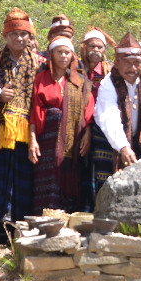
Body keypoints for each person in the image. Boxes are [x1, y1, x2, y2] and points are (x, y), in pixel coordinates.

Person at [0, 9, 39, 242]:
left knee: (22, 180)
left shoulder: (39, 63)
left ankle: (18, 231)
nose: (19, 39)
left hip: (27, 129)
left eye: (23, 35)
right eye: (14, 34)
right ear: (5, 36)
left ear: (30, 37)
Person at [30, 35, 93, 212]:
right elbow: (35, 111)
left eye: (67, 52)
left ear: (72, 56)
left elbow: (88, 110)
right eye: (60, 52)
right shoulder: (41, 78)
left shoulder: (79, 82)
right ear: (51, 55)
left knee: (68, 178)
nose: (64, 56)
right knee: (46, 179)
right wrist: (32, 140)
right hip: (46, 141)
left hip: (72, 141)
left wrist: (87, 133)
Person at [93, 33, 141, 192]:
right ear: (118, 63)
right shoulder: (109, 83)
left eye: (137, 63)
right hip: (107, 138)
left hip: (135, 139)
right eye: (127, 63)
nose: (133, 69)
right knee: (106, 186)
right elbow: (109, 117)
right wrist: (123, 147)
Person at [81, 27, 113, 93]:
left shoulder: (109, 71)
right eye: (92, 46)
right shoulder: (76, 68)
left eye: (99, 47)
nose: (96, 49)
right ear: (85, 47)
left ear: (104, 50)